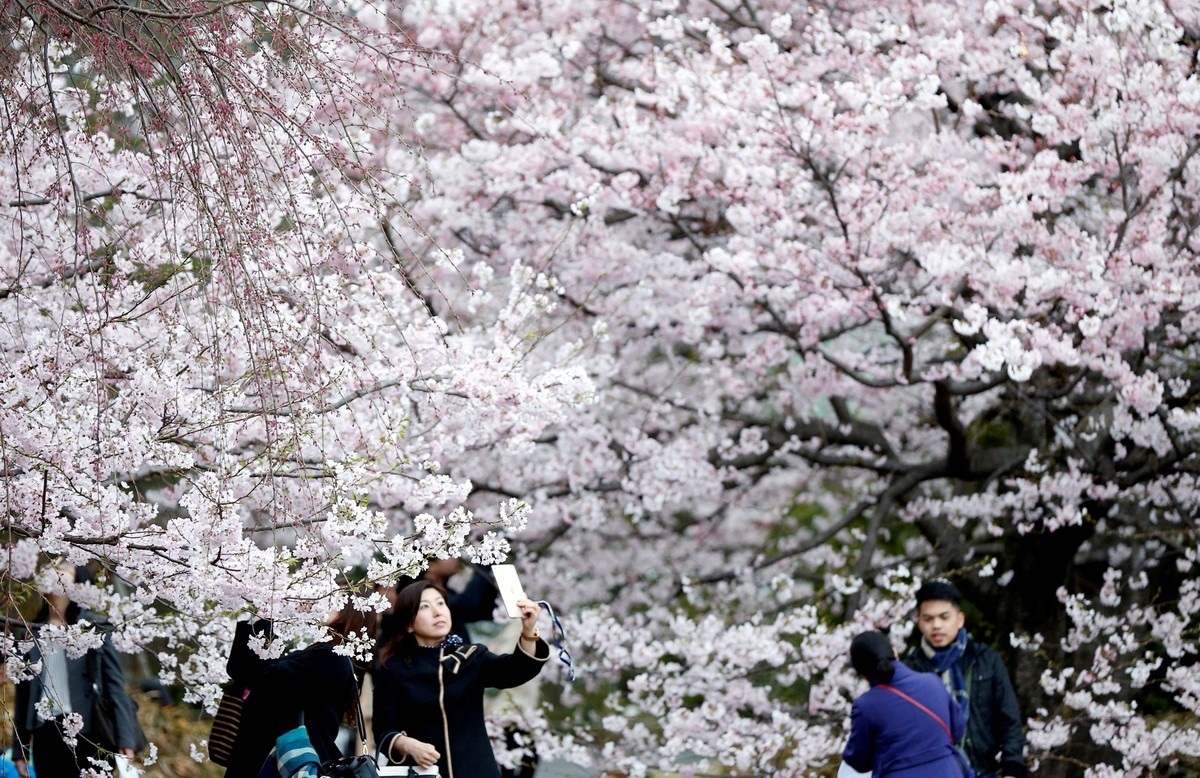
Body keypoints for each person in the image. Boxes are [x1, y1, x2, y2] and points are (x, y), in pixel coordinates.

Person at [372, 580, 549, 778]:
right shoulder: (394, 669)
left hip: (477, 771)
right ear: (409, 625)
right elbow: (383, 730)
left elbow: (516, 670)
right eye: (424, 607)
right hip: (423, 773)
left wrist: (528, 631)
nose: (437, 612)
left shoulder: (472, 657)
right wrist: (407, 744)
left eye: (441, 603)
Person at [223, 598, 378, 777]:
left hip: (288, 763)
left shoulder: (330, 659)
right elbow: (243, 670)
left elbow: (255, 673)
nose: (320, 602)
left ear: (350, 612)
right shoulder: (321, 655)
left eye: (332, 599)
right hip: (288, 761)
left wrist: (269, 617)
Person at [11, 562, 139, 778]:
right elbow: (23, 695)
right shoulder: (29, 632)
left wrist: (125, 738)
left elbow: (114, 686)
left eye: (64, 573)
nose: (56, 576)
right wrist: (20, 748)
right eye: (50, 572)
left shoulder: (94, 628)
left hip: (90, 728)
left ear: (79, 583)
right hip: (46, 732)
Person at [903, 580, 1026, 778]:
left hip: (983, 771)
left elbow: (1009, 719)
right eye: (928, 618)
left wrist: (1012, 770)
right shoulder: (911, 668)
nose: (936, 625)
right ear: (919, 621)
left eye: (944, 617)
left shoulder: (985, 660)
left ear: (959, 619)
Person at [842, 630, 967, 777]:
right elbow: (957, 730)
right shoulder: (932, 681)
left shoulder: (865, 706)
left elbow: (858, 761)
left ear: (861, 673)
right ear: (895, 653)